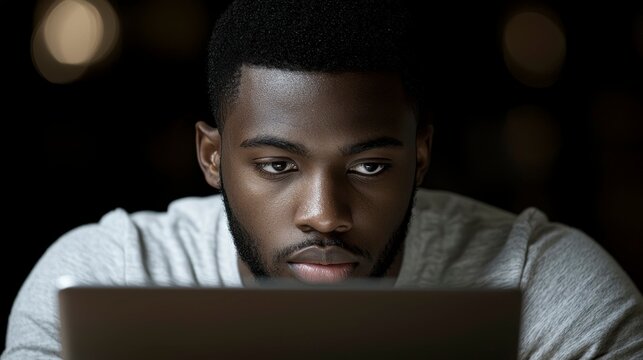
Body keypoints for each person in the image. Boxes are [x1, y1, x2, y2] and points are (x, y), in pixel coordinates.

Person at [3, 0, 642, 358]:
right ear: (211, 156)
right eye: (278, 166)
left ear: (420, 158)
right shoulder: (102, 276)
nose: (325, 214)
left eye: (369, 167)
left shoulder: (549, 290)